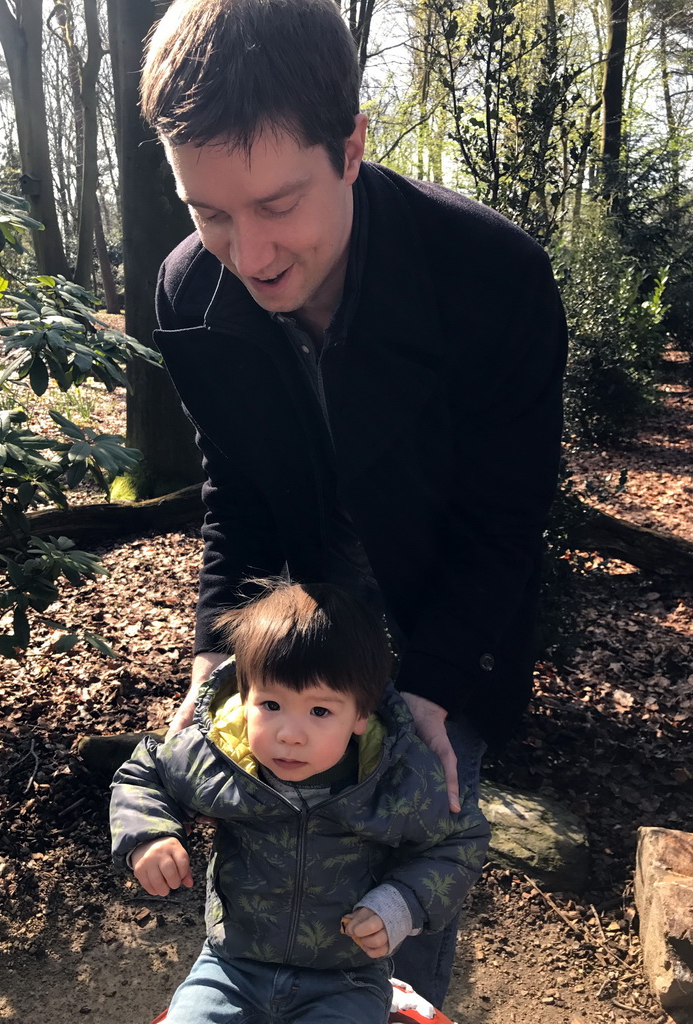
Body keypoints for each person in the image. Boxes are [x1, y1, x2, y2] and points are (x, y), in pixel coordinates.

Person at [136, 0, 567, 1005]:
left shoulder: (493, 277)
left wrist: (427, 698)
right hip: (288, 639)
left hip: (441, 637)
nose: (248, 256)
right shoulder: (186, 295)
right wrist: (214, 654)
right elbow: (235, 493)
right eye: (208, 212)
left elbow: (504, 525)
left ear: (353, 146)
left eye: (278, 204)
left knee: (392, 941)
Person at [110, 582, 490, 1024]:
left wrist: (401, 903)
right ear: (245, 696)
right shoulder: (219, 758)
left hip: (345, 979)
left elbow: (460, 840)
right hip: (231, 967)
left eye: (320, 712)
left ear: (361, 716)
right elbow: (145, 773)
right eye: (270, 704)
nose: (290, 733)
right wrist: (150, 834)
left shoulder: (397, 780)